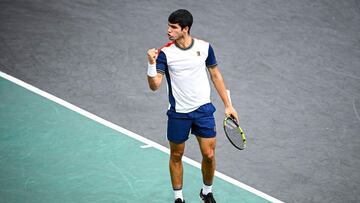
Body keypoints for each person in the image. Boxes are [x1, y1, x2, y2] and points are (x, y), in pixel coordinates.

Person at [146, 9, 238, 203]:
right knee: (177, 155)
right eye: (169, 26)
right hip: (179, 114)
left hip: (203, 111)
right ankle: (178, 198)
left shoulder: (204, 48)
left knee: (209, 155)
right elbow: (155, 86)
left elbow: (215, 75)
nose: (168, 30)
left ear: (185, 29)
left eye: (173, 27)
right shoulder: (165, 53)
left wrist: (228, 105)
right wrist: (151, 64)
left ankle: (207, 192)